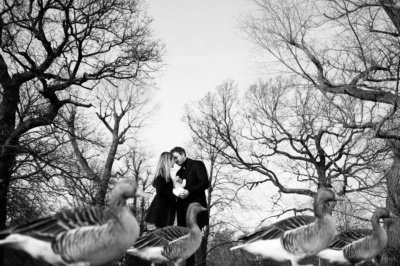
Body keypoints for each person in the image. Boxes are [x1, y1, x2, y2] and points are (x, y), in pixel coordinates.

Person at [170, 146, 209, 266]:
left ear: (183, 153)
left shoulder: (197, 164)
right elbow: (178, 189)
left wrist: (189, 192)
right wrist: (177, 192)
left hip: (195, 209)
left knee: (197, 240)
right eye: (173, 159)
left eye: (176, 157)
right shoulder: (178, 173)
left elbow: (205, 183)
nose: (175, 160)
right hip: (182, 212)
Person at [145, 152, 176, 229]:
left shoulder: (165, 175)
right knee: (161, 236)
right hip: (161, 209)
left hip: (165, 209)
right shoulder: (161, 174)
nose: (174, 161)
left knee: (164, 236)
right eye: (173, 159)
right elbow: (160, 190)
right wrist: (173, 197)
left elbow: (165, 189)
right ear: (168, 161)